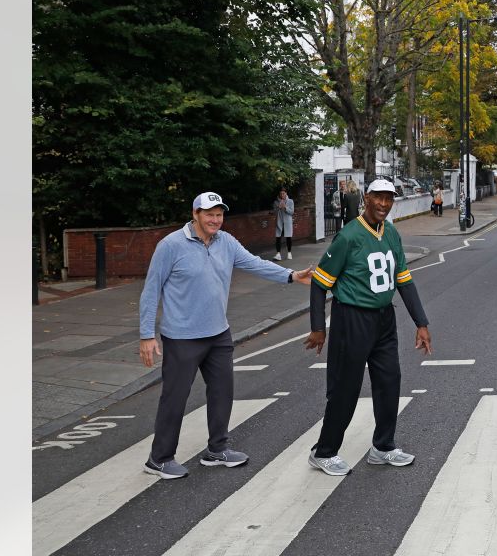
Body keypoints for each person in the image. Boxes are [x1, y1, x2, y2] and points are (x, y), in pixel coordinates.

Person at [139, 192, 314, 479]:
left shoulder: (226, 242)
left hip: (219, 334)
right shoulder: (171, 245)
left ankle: (217, 450)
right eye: (209, 214)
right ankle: (159, 458)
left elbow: (255, 263)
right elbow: (151, 290)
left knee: (222, 391)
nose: (215, 220)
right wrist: (147, 335)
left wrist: (291, 275)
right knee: (175, 397)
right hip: (182, 336)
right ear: (195, 214)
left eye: (219, 214)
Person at [304, 179, 433, 476]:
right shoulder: (348, 236)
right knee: (345, 388)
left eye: (389, 199)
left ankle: (383, 447)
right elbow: (319, 283)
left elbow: (404, 281)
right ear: (366, 197)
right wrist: (318, 328)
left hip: (383, 319)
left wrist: (421, 323)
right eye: (378, 198)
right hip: (352, 318)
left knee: (390, 382)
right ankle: (324, 451)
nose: (384, 205)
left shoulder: (392, 234)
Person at [273, 188, 294, 260]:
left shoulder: (290, 201)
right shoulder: (276, 202)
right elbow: (274, 212)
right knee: (278, 238)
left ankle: (289, 253)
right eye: (281, 194)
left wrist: (285, 207)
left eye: (283, 193)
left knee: (288, 238)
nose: (282, 195)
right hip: (279, 222)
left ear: (286, 193)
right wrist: (278, 207)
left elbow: (292, 212)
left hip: (287, 223)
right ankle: (278, 254)